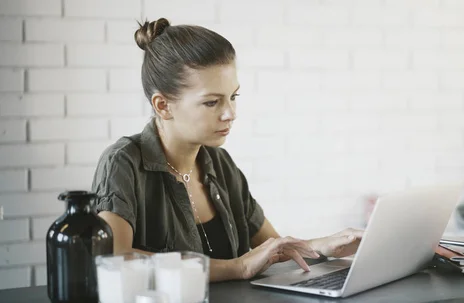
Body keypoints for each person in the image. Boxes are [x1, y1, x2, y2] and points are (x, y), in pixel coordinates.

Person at [92, 18, 364, 282]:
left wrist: (324, 246)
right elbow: (114, 258)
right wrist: (237, 268)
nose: (230, 114)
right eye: (212, 102)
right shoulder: (123, 162)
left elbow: (271, 248)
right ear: (163, 105)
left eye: (233, 97)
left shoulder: (219, 163)